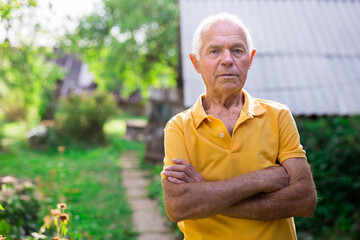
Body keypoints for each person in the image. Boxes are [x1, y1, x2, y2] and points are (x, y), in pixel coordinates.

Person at [161, 12, 317, 240]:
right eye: (214, 51)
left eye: (237, 50)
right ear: (196, 62)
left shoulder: (278, 116)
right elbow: (178, 206)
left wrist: (205, 197)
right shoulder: (179, 127)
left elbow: (304, 200)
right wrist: (261, 179)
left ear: (250, 59)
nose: (227, 60)